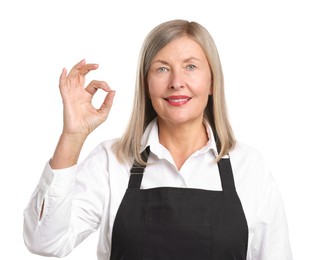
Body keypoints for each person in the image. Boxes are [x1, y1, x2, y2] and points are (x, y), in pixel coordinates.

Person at [23, 19, 293, 260]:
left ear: (212, 82)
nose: (176, 82)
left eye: (190, 66)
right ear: (147, 83)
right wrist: (72, 137)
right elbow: (45, 242)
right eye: (162, 69)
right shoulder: (111, 162)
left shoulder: (249, 167)